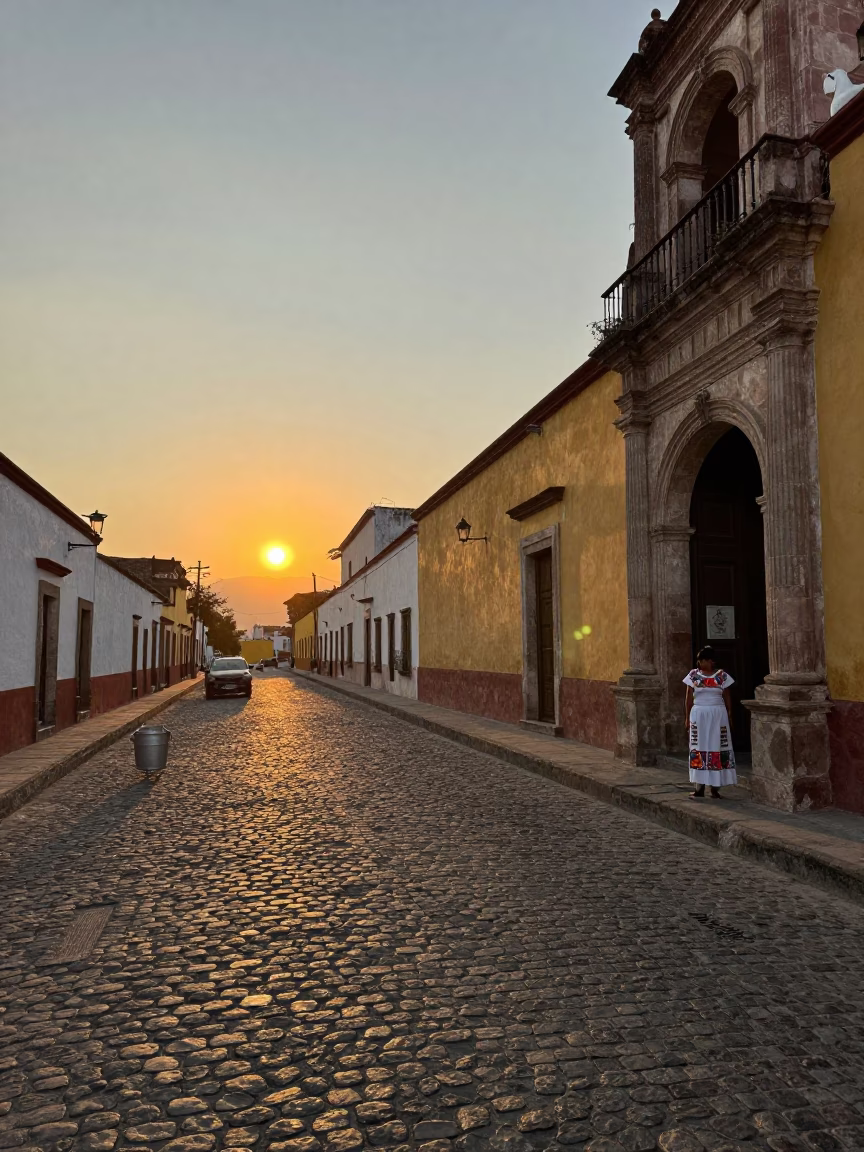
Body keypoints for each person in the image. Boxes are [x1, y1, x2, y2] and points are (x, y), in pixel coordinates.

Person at [683, 646, 736, 798]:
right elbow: (688, 698)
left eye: (703, 660)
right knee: (698, 748)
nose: (701, 663)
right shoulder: (693, 675)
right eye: (699, 661)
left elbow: (727, 696)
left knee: (717, 746)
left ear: (710, 661)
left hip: (718, 715)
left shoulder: (722, 676)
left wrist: (730, 714)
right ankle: (699, 787)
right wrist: (687, 717)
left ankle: (715, 787)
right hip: (699, 715)